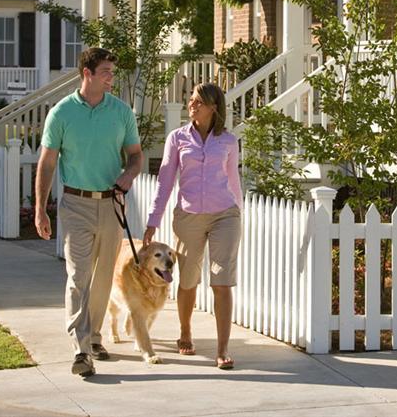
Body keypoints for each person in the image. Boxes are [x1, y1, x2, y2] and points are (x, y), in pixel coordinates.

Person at [34, 47, 142, 378]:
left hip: (111, 203)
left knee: (102, 277)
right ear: (88, 74)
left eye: (112, 71)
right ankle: (81, 349)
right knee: (78, 276)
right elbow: (48, 162)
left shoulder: (122, 112)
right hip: (76, 203)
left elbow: (136, 156)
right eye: (106, 71)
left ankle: (94, 337)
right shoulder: (62, 113)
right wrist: (40, 209)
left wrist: (128, 174)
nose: (112, 77)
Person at [143, 82, 242, 370]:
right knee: (187, 280)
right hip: (188, 218)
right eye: (191, 100)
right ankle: (185, 332)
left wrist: (239, 212)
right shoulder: (177, 139)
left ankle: (223, 348)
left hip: (225, 214)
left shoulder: (228, 141)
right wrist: (153, 221)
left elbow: (233, 180)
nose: (192, 105)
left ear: (213, 107)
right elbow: (164, 181)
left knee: (222, 282)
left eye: (199, 101)